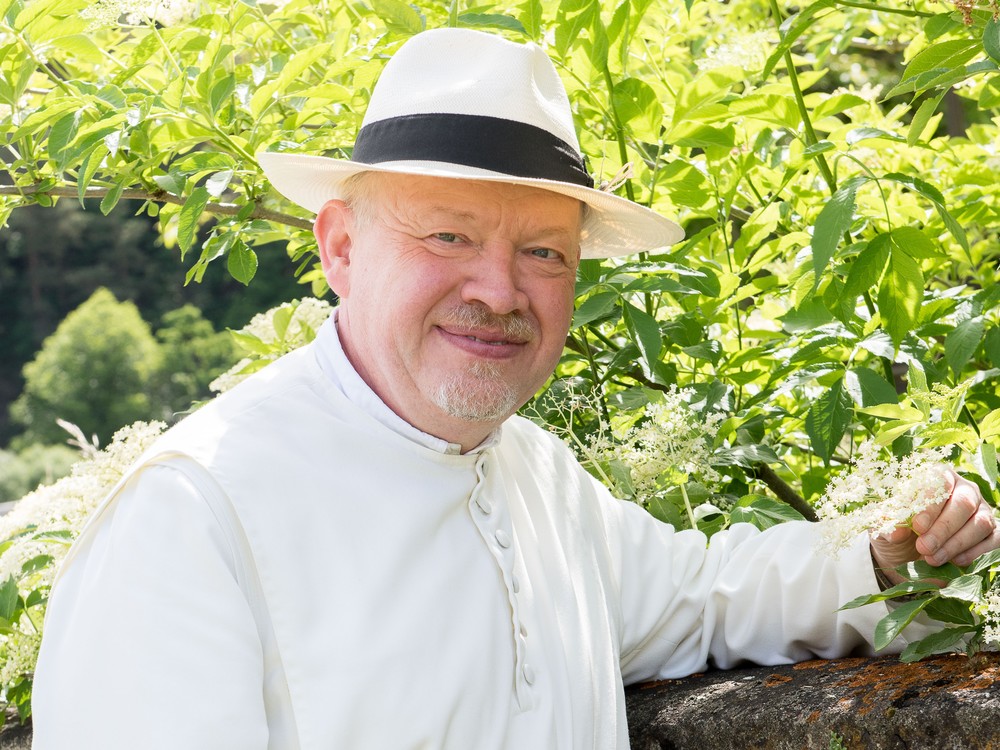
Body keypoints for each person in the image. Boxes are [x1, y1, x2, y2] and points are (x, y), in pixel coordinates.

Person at [32, 27, 999, 750]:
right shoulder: (192, 516)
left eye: (543, 252)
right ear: (341, 247)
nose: (498, 292)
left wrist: (881, 561)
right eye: (448, 235)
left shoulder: (539, 477)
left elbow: (705, 599)